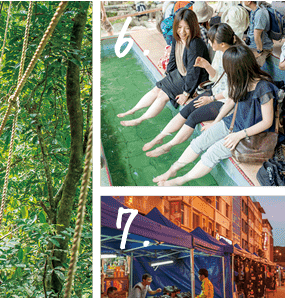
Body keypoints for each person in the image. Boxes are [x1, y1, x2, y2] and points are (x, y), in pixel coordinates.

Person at [154, 44, 278, 186]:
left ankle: (181, 180)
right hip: (234, 122)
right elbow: (231, 101)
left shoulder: (263, 87)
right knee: (201, 141)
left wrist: (239, 135)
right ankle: (173, 170)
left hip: (250, 132)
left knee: (213, 152)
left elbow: (267, 122)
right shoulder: (241, 82)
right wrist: (216, 122)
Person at [145, 23, 240, 158]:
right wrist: (206, 65)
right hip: (215, 91)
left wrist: (211, 100)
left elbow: (233, 93)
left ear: (223, 44)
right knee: (187, 109)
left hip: (226, 101)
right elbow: (215, 78)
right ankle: (159, 138)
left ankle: (168, 146)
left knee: (194, 117)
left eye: (212, 41)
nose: (210, 43)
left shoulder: (236, 60)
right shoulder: (220, 53)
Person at [119, 8, 210, 127]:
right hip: (182, 74)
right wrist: (168, 75)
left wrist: (186, 93)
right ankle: (133, 110)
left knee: (162, 96)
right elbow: (172, 60)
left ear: (193, 27)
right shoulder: (177, 39)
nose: (182, 32)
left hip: (195, 79)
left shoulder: (195, 44)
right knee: (157, 88)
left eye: (187, 28)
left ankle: (140, 119)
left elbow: (194, 72)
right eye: (179, 27)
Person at [242, 1, 272, 69]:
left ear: (249, 1)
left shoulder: (260, 13)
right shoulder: (254, 10)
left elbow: (257, 35)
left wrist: (259, 51)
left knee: (252, 69)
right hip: (253, 45)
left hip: (261, 47)